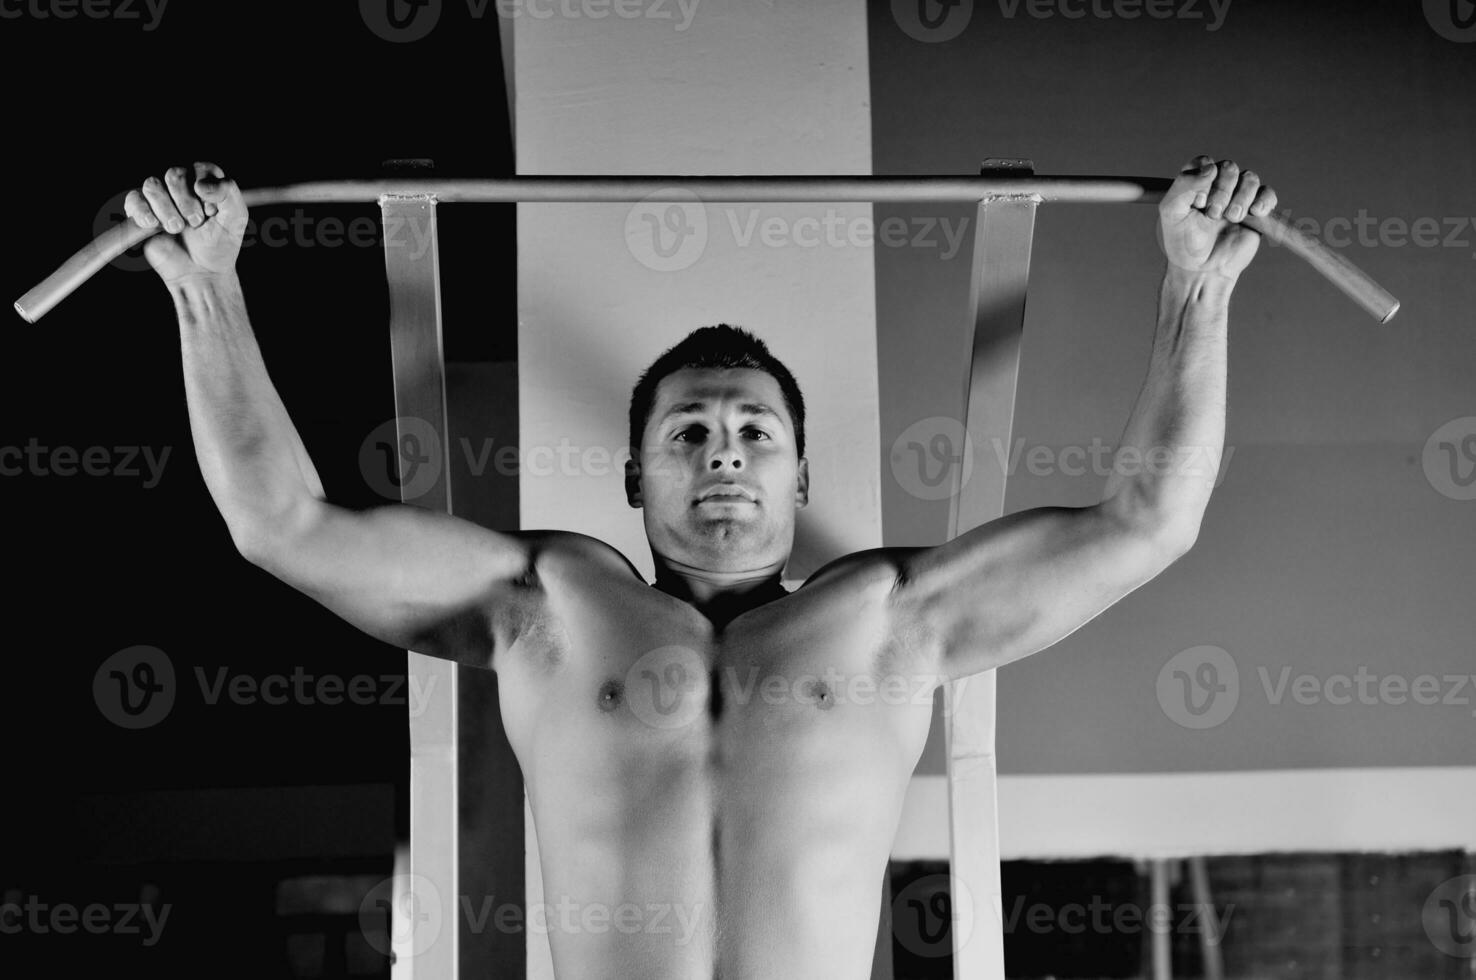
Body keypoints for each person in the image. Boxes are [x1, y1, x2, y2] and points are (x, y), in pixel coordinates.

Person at [124, 154, 1276, 979]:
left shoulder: (891, 616)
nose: (722, 448)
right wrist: (206, 287)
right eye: (687, 432)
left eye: (754, 431)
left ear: (801, 478)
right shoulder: (546, 605)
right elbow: (279, 521)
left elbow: (1149, 519)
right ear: (635, 479)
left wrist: (1198, 287)